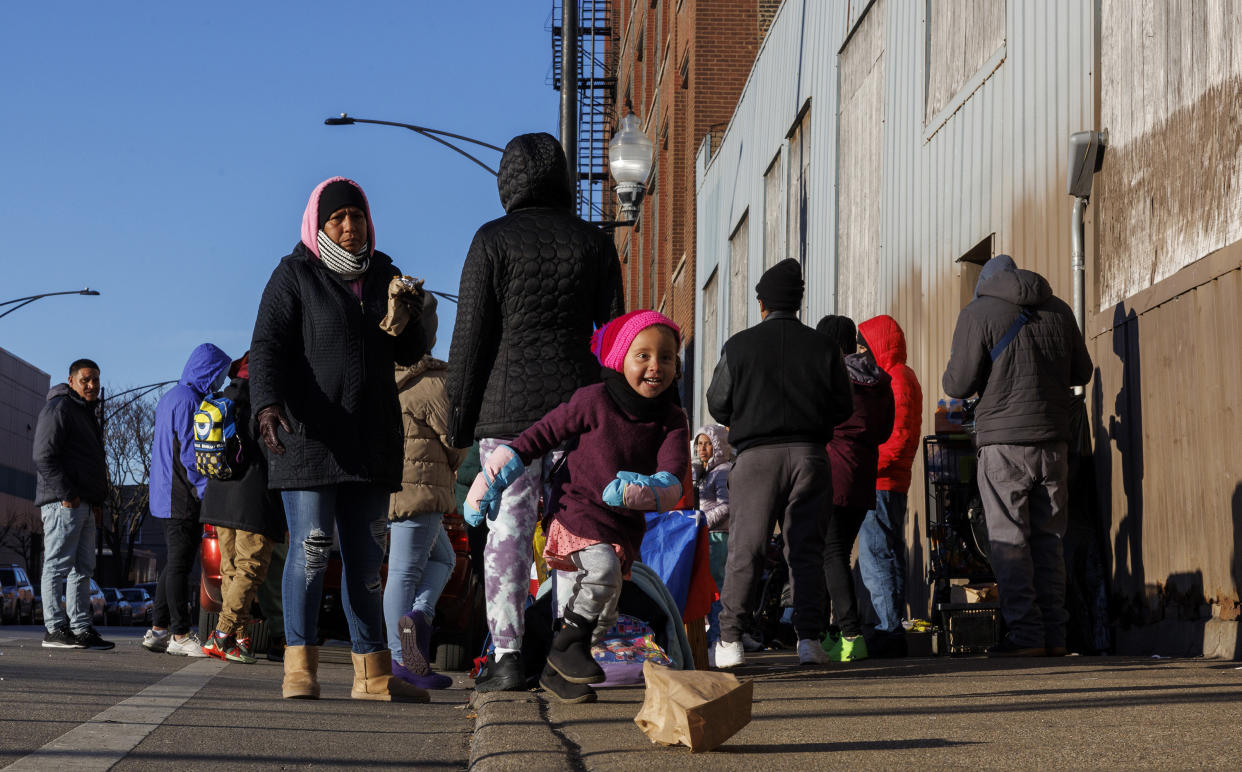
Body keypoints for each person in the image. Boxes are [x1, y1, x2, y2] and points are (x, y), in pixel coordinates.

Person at [445, 132, 624, 692]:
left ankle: (506, 658)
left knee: (508, 536)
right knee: (575, 530)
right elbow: (615, 332)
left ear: (507, 182)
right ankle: (567, 648)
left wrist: (457, 421)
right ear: (564, 179)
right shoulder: (594, 243)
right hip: (578, 413)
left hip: (507, 416)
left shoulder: (490, 241)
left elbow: (470, 339)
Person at [250, 176, 428, 700]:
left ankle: (372, 674)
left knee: (367, 561)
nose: (351, 227)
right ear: (319, 224)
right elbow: (267, 347)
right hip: (308, 440)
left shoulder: (384, 273)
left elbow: (408, 352)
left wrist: (408, 316)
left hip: (369, 440)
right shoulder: (293, 275)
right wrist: (266, 404)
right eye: (338, 218)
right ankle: (299, 668)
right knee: (309, 551)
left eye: (357, 216)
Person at [465, 310, 689, 703]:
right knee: (600, 572)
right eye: (644, 356)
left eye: (666, 357)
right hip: (577, 507)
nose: (656, 366)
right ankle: (564, 646)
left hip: (622, 525)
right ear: (620, 357)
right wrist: (490, 477)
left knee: (604, 611)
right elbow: (538, 436)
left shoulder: (672, 419)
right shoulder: (594, 399)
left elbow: (673, 475)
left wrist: (645, 490)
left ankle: (558, 669)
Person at [706, 259, 853, 668]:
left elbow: (718, 404)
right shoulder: (824, 347)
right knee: (806, 550)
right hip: (810, 455)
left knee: (746, 549)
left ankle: (731, 640)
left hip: (755, 459)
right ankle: (809, 640)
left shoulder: (739, 346)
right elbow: (843, 406)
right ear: (799, 301)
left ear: (762, 303)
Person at [943, 254, 1093, 657]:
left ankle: (1027, 636)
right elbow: (1083, 371)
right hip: (1054, 443)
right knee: (1049, 540)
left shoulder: (977, 313)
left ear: (986, 283)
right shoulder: (1059, 309)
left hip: (1004, 445)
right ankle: (1055, 636)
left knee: (1009, 540)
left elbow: (956, 384)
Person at [385, 300, 465, 691]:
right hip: (425, 488)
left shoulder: (382, 376)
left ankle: (416, 619)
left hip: (393, 488)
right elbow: (456, 440)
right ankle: (400, 659)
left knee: (442, 558)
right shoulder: (433, 382)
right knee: (404, 572)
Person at [143, 343, 232, 657]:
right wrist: (207, 493)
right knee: (180, 566)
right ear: (208, 370)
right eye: (219, 374)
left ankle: (158, 629)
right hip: (182, 494)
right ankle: (180, 634)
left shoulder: (171, 397)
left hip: (167, 493)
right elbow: (193, 456)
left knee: (172, 564)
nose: (220, 381)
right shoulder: (192, 402)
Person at [815, 315, 894, 663]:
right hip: (864, 476)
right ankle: (834, 634)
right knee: (839, 554)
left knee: (830, 554)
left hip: (832, 474)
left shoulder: (828, 378)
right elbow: (884, 431)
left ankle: (850, 634)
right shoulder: (878, 381)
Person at [199, 352, 286, 664]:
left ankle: (238, 639)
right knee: (251, 568)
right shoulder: (269, 404)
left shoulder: (222, 399)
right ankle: (222, 635)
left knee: (232, 569)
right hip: (253, 499)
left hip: (219, 497)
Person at [33, 358, 113, 650]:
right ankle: (54, 629)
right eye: (86, 380)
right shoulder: (59, 408)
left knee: (83, 568)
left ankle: (80, 629)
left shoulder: (84, 412)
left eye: (96, 380)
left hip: (84, 504)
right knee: (57, 566)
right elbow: (43, 456)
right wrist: (68, 494)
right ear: (71, 381)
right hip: (63, 503)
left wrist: (95, 501)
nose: (92, 386)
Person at [855, 314, 923, 657]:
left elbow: (896, 439)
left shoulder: (893, 379)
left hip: (880, 479)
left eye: (864, 345)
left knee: (876, 555)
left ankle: (887, 628)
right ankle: (890, 624)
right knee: (891, 553)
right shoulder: (903, 376)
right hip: (895, 480)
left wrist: (864, 462)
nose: (860, 352)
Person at [693, 424, 732, 652]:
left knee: (718, 588)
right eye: (699, 443)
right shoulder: (704, 471)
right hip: (706, 536)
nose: (703, 448)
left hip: (717, 537)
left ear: (718, 445)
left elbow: (726, 506)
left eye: (708, 443)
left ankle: (719, 637)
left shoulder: (723, 470)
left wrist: (700, 521)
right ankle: (713, 636)